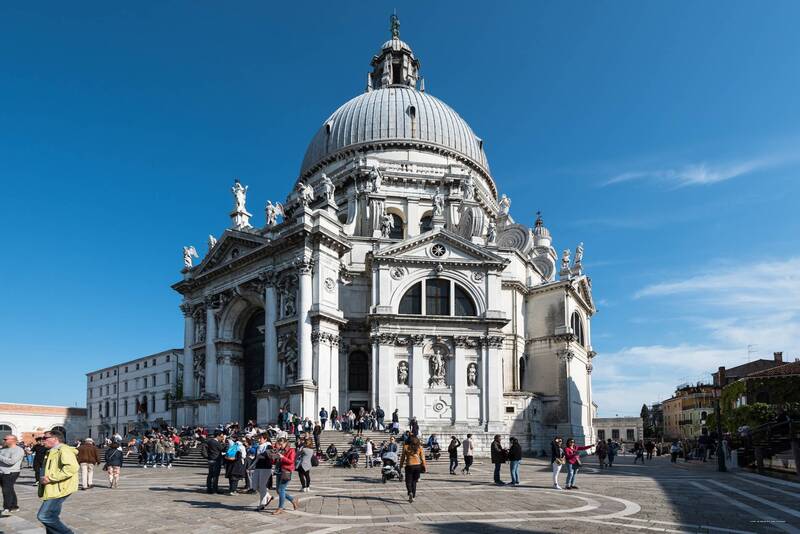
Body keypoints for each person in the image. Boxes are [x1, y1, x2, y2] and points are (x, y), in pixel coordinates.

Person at [36, 429, 79, 534]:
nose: (42, 441)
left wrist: (50, 478)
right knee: (52, 516)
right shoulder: (52, 451)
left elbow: (72, 468)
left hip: (60, 488)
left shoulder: (63, 450)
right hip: (53, 488)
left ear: (55, 439)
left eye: (45, 438)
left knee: (44, 516)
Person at [271, 437, 298, 515]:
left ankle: (280, 508)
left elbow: (291, 461)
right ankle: (293, 500)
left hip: (286, 472)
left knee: (281, 490)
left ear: (285, 443)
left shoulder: (291, 450)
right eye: (279, 444)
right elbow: (275, 461)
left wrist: (283, 457)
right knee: (278, 490)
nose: (280, 445)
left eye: (281, 444)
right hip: (279, 471)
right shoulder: (280, 450)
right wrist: (273, 456)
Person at [0, 434, 25, 517]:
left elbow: (11, 462)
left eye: (5, 439)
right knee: (9, 489)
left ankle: (7, 508)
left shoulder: (18, 450)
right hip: (2, 472)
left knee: (6, 490)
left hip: (11, 472)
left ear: (12, 440)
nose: (4, 440)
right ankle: (14, 506)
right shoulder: (3, 449)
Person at [399, 435, 426, 503]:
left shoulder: (406, 447)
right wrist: (424, 466)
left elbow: (402, 457)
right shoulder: (419, 447)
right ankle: (413, 496)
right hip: (417, 466)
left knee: (408, 481)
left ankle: (410, 492)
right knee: (414, 481)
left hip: (409, 465)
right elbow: (422, 458)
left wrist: (400, 465)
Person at [251, 432, 275, 511]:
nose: (258, 440)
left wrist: (261, 455)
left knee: (262, 486)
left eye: (260, 438)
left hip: (266, 468)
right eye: (258, 438)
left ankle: (262, 504)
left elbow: (268, 455)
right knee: (254, 485)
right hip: (258, 467)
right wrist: (251, 466)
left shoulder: (268, 445)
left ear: (265, 439)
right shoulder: (259, 447)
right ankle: (268, 496)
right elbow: (256, 457)